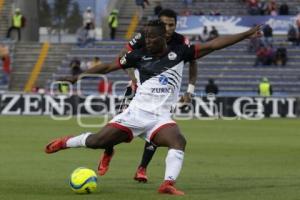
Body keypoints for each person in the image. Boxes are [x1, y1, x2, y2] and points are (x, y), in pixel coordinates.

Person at [45, 20, 261, 195]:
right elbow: (108, 66)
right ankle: (66, 142)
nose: (148, 41)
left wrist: (246, 34)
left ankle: (167, 184)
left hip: (160, 118)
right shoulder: (137, 56)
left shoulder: (180, 52)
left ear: (163, 37)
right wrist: (76, 77)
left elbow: (214, 44)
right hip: (135, 114)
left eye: (152, 37)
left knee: (178, 141)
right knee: (96, 142)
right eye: (146, 37)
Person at [99, 9, 199, 183]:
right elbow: (123, 55)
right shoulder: (144, 36)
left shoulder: (181, 41)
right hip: (138, 87)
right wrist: (133, 79)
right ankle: (108, 150)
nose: (168, 28)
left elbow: (192, 61)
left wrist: (189, 90)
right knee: (116, 122)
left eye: (172, 25)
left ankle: (142, 168)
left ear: (176, 25)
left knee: (157, 126)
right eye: (165, 24)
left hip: (161, 93)